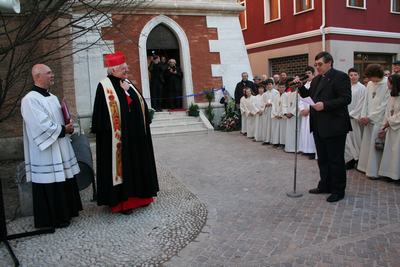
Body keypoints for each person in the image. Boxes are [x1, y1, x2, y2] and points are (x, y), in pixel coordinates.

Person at [91, 51, 159, 214]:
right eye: (122, 68)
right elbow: (104, 116)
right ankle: (122, 202)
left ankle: (142, 196)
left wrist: (128, 92)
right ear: (113, 70)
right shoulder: (104, 86)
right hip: (117, 141)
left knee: (137, 166)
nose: (126, 70)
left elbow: (139, 108)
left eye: (125, 67)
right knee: (122, 170)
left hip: (135, 137)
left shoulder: (126, 83)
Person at [21, 64, 82, 228]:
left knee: (62, 178)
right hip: (46, 152)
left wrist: (67, 124)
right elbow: (40, 125)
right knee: (50, 179)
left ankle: (67, 212)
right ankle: (53, 218)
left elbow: (58, 121)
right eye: (49, 73)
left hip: (59, 146)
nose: (52, 75)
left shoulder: (52, 97)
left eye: (52, 72)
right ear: (37, 76)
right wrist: (63, 129)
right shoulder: (30, 100)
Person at [295, 51, 352, 202]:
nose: (317, 67)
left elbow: (346, 99)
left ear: (329, 62)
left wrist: (325, 105)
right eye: (316, 65)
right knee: (323, 159)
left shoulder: (340, 77)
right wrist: (301, 87)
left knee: (335, 159)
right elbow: (310, 97)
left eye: (320, 64)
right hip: (319, 125)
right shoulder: (316, 80)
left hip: (335, 125)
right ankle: (324, 185)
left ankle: (338, 190)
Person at [357, 64, 390, 179]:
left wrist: (370, 117)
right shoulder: (370, 84)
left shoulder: (387, 84)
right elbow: (366, 100)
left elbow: (384, 105)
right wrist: (363, 115)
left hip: (378, 120)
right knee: (366, 144)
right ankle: (364, 167)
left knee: (376, 146)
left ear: (377, 75)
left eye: (371, 77)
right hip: (368, 119)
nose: (369, 80)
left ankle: (374, 171)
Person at [378, 74, 400, 180]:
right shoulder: (392, 96)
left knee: (397, 152)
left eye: (389, 82)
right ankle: (391, 174)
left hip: (398, 129)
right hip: (391, 128)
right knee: (391, 152)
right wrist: (383, 127)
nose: (387, 84)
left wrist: (389, 122)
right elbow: (387, 112)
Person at [344, 68, 366, 169]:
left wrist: (352, 114)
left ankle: (358, 159)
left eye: (355, 75)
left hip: (354, 118)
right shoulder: (347, 86)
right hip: (346, 116)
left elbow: (362, 103)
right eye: (351, 75)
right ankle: (350, 159)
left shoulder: (362, 88)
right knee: (348, 140)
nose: (353, 77)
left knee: (356, 139)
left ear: (359, 76)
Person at [298, 66, 316, 159]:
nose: (307, 75)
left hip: (311, 112)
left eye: (309, 73)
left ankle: (312, 151)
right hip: (305, 113)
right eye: (306, 73)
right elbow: (301, 99)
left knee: (311, 133)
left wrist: (309, 110)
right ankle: (306, 149)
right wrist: (302, 109)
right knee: (305, 132)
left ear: (313, 74)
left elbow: (315, 99)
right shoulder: (304, 86)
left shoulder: (315, 84)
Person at [262, 79, 279, 145]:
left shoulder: (276, 92)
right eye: (267, 85)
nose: (269, 86)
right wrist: (265, 104)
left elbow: (277, 101)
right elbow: (262, 102)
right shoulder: (265, 94)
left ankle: (274, 141)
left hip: (273, 110)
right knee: (267, 126)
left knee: (273, 125)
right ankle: (267, 140)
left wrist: (272, 103)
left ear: (273, 85)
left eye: (270, 84)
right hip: (267, 111)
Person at [270, 83, 287, 149]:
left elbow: (286, 106)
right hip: (276, 116)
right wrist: (275, 114)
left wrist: (282, 114)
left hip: (282, 116)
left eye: (283, 87)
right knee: (276, 129)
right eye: (280, 87)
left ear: (285, 88)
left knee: (282, 130)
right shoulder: (276, 96)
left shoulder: (286, 95)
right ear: (278, 88)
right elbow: (273, 105)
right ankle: (276, 142)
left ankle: (283, 143)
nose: (281, 89)